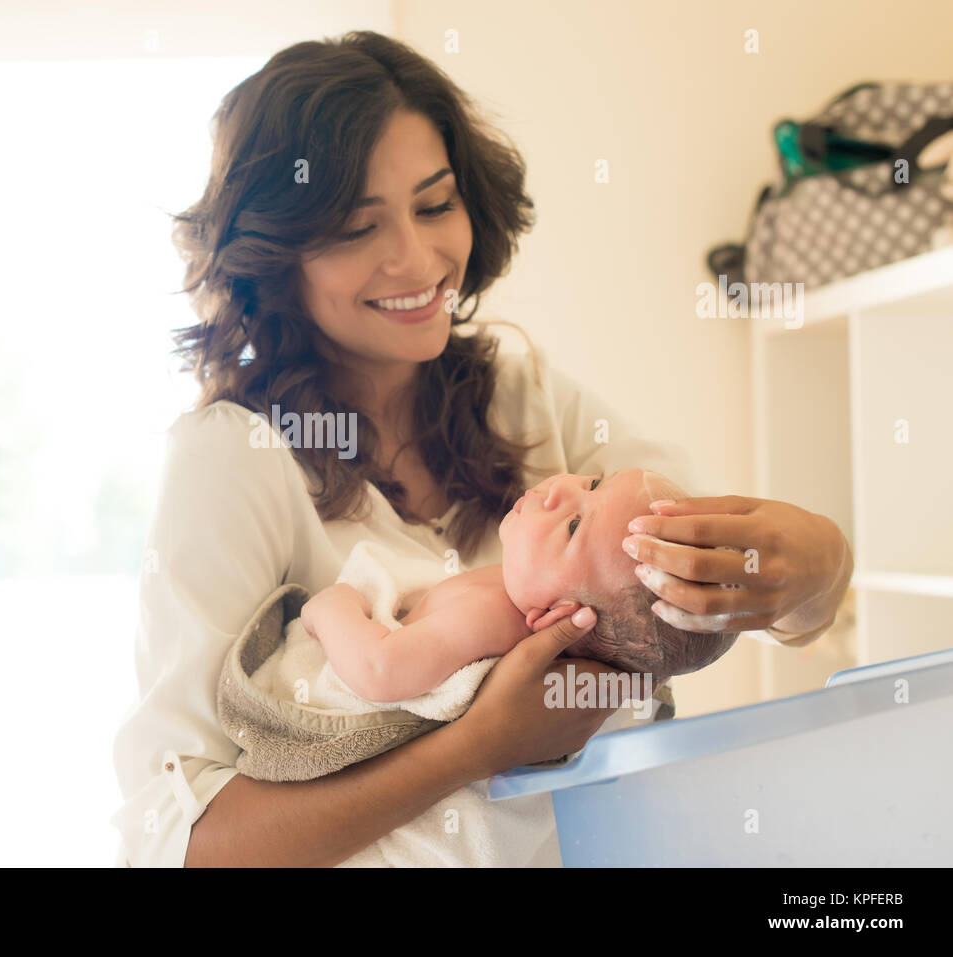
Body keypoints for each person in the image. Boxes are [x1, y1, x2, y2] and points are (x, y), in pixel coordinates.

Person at [110, 31, 853, 867]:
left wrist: (816, 569)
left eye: (435, 205)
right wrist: (475, 746)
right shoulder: (233, 459)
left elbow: (707, 595)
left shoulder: (520, 395)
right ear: (276, 256)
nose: (418, 259)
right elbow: (182, 847)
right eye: (358, 226)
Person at [301, 469, 739, 705]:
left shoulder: (491, 615)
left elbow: (381, 670)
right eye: (594, 483)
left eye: (573, 526)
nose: (558, 490)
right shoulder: (513, 594)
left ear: (558, 617)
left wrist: (332, 605)